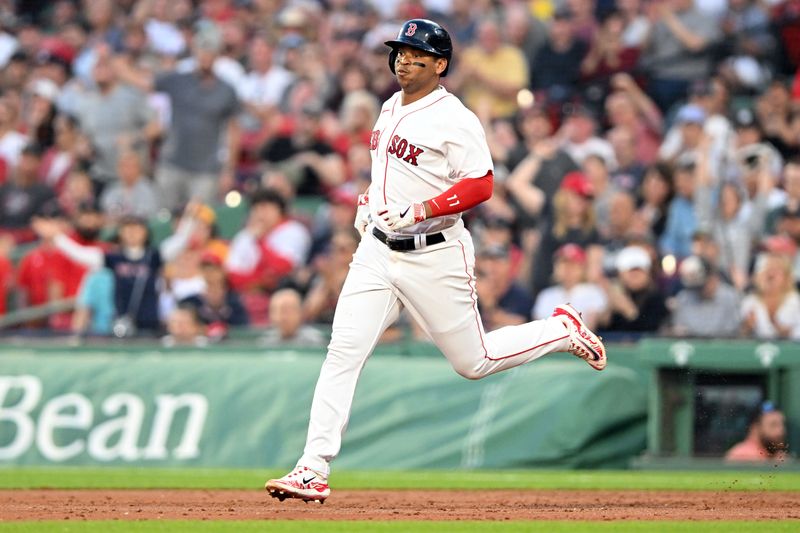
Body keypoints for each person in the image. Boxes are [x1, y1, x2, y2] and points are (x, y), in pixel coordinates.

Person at [265, 19, 607, 505]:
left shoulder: (455, 117)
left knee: (475, 361)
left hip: (435, 254)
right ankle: (312, 468)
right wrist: (370, 201)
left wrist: (422, 210)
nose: (404, 59)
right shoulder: (388, 105)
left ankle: (561, 331)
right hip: (377, 253)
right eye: (401, 51)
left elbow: (481, 183)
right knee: (343, 350)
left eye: (415, 53)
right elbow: (393, 173)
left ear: (440, 64)